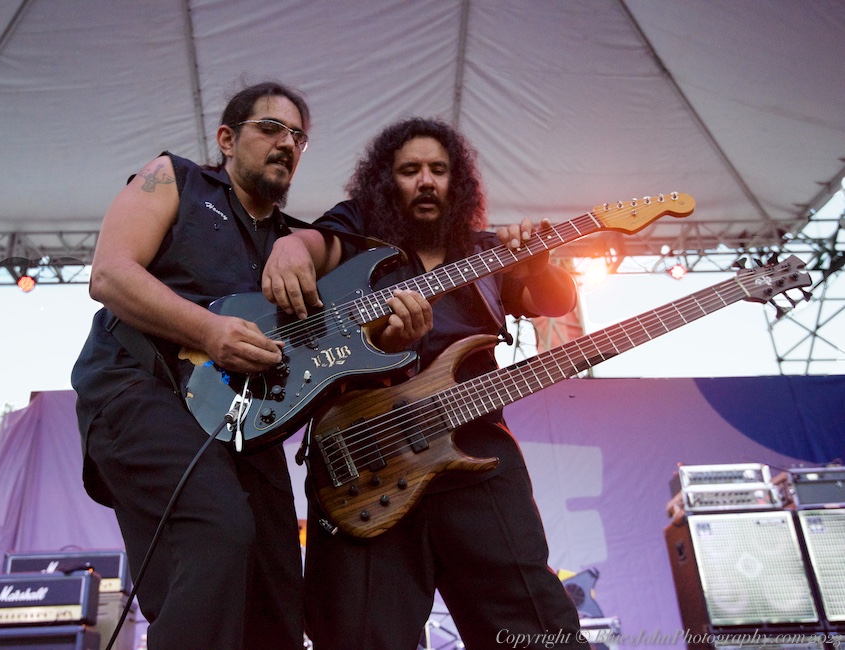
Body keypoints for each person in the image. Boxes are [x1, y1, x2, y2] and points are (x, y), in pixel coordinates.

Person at [263, 117, 589, 649]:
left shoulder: (485, 251)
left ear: (456, 183)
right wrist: (290, 247)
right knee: (359, 630)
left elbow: (552, 301)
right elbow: (311, 244)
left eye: (439, 170)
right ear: (385, 181)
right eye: (409, 170)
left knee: (532, 621)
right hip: (367, 456)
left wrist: (539, 265)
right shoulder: (356, 231)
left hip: (476, 453)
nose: (426, 181)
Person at [71, 81, 311, 649]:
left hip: (239, 425)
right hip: (137, 391)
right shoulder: (172, 177)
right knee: (217, 529)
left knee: (279, 582)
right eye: (271, 128)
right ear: (226, 139)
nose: (287, 143)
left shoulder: (292, 240)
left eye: (299, 136)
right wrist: (209, 330)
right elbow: (108, 274)